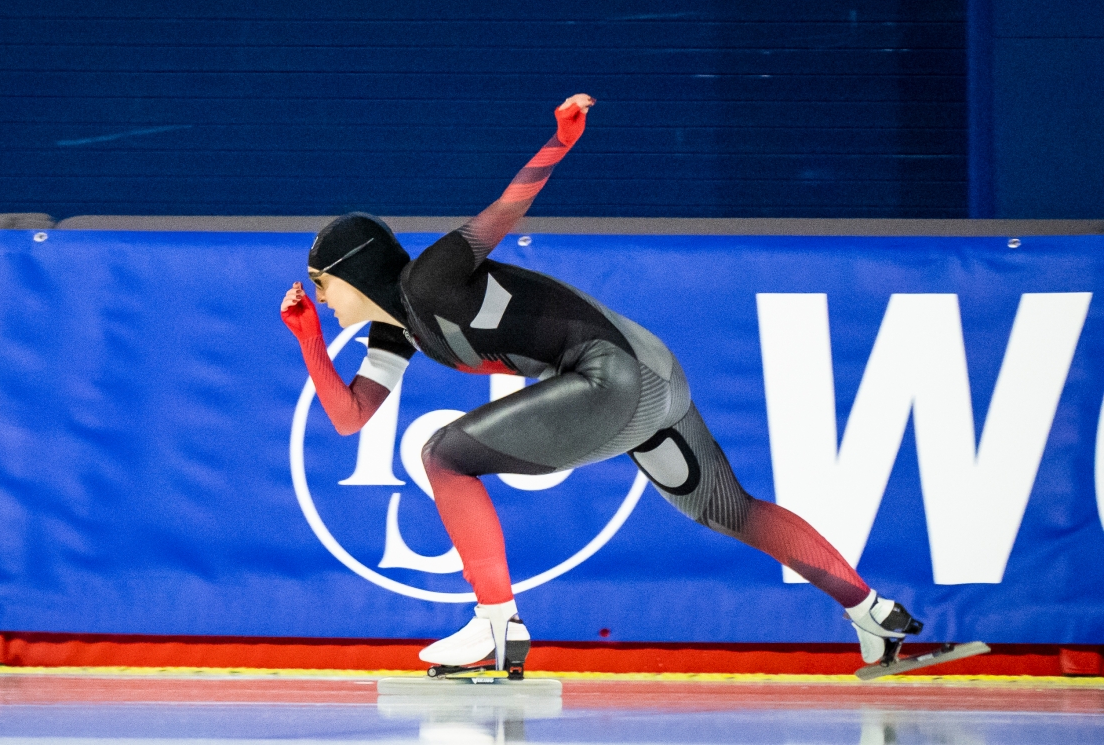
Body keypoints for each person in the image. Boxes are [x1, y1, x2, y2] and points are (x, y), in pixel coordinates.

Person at [280, 94, 921, 676]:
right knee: (728, 507)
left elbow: (508, 207)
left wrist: (560, 140)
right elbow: (350, 417)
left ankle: (497, 627)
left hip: (612, 377)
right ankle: (873, 614)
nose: (323, 298)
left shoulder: (429, 280)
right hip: (654, 375)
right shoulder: (398, 333)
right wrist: (310, 339)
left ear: (354, 272)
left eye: (322, 285)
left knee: (443, 455)